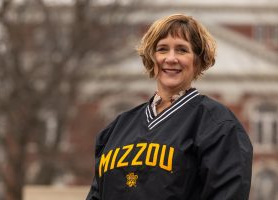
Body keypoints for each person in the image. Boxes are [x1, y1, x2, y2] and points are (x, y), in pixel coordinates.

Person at [86, 13, 253, 200]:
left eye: (182, 50)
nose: (171, 58)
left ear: (198, 60)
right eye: (162, 49)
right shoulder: (117, 128)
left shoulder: (218, 125)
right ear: (152, 57)